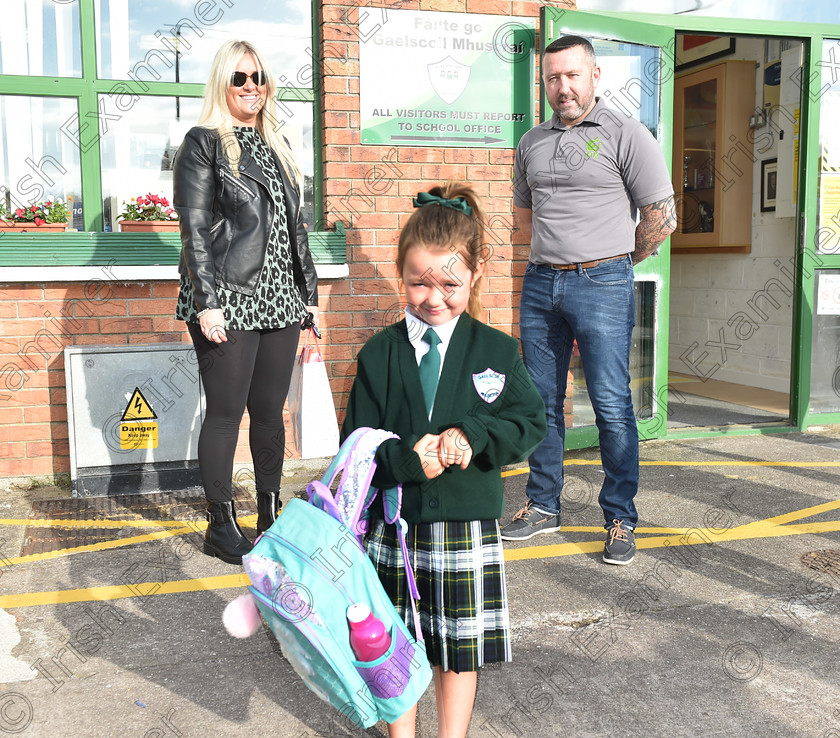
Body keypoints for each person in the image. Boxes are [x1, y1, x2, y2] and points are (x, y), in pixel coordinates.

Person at [341, 183, 547, 738]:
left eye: (450, 284)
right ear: (401, 274)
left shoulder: (497, 352)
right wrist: (407, 462)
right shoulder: (379, 354)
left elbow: (530, 425)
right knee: (391, 651)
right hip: (396, 531)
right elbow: (355, 448)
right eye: (418, 283)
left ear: (476, 274)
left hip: (465, 530)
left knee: (458, 655)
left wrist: (475, 435)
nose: (433, 298)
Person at [501, 36, 677, 565]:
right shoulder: (531, 142)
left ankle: (620, 517)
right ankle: (542, 505)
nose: (563, 87)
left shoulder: (628, 135)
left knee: (611, 404)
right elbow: (525, 218)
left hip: (602, 282)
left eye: (572, 75)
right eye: (553, 78)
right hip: (540, 284)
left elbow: (661, 217)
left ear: (595, 77)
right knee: (541, 402)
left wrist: (617, 262)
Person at [173, 40, 318, 566]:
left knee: (271, 415)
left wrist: (310, 295)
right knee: (226, 414)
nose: (252, 86)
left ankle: (271, 516)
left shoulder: (275, 144)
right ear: (222, 83)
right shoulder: (203, 143)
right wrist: (207, 302)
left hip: (279, 298)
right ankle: (221, 525)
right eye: (240, 78)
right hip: (228, 298)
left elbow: (293, 229)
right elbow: (192, 230)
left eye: (258, 76)